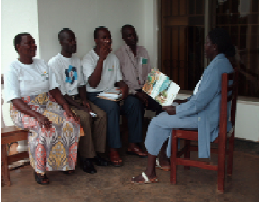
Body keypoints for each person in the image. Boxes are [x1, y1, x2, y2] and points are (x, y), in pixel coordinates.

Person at [131, 28, 235, 184]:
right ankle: (165, 159)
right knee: (168, 115)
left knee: (158, 121)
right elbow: (205, 97)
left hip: (205, 119)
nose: (204, 46)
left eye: (207, 43)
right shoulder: (225, 64)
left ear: (215, 46)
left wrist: (177, 109)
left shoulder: (216, 67)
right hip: (213, 115)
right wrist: (184, 103)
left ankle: (150, 172)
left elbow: (200, 103)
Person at [4, 33, 80, 185]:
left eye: (33, 42)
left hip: (46, 104)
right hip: (23, 109)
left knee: (70, 122)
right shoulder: (12, 68)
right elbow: (15, 99)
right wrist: (36, 115)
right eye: (29, 43)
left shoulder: (42, 64)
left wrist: (66, 107)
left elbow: (54, 90)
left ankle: (63, 163)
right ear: (18, 47)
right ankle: (40, 170)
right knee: (44, 127)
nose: (34, 45)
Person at [82, 26, 147, 167]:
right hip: (96, 95)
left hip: (112, 93)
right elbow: (93, 83)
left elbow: (119, 80)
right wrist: (101, 59)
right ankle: (113, 149)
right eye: (104, 38)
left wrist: (124, 87)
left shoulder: (113, 58)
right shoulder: (88, 59)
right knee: (112, 108)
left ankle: (132, 144)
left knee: (134, 102)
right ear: (96, 40)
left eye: (109, 37)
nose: (108, 41)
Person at [48, 28, 108, 174]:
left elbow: (81, 84)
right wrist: (80, 107)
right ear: (61, 42)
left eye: (74, 39)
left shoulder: (76, 60)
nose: (74, 43)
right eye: (69, 40)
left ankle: (98, 153)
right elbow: (60, 93)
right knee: (85, 117)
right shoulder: (54, 63)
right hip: (64, 102)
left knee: (101, 115)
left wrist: (85, 101)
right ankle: (87, 158)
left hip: (78, 100)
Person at [115, 24, 163, 115]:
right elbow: (119, 81)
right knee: (135, 104)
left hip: (145, 89)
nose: (133, 37)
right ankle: (137, 130)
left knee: (164, 99)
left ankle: (158, 127)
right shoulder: (119, 54)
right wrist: (136, 93)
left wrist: (151, 90)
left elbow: (150, 73)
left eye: (134, 34)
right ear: (123, 38)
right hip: (130, 92)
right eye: (129, 35)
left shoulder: (143, 51)